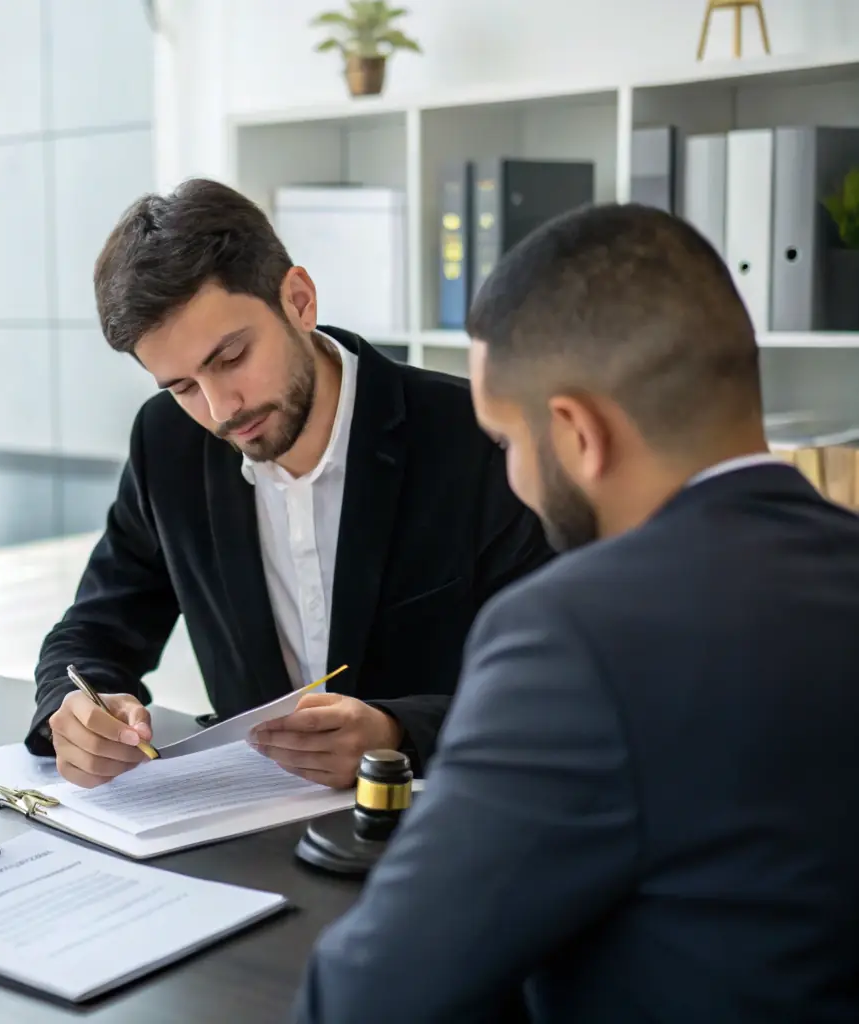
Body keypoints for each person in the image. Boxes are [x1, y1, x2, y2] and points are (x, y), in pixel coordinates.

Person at [293, 202, 859, 1023]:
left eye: (504, 445)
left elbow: (370, 998)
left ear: (575, 433)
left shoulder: (572, 637)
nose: (512, 479)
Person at [23, 178, 553, 789]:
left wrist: (397, 733)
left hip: (449, 815)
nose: (221, 408)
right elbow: (93, 630)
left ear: (299, 300)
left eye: (230, 358)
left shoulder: (477, 437)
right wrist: (76, 709)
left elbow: (554, 682)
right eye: (183, 386)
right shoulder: (167, 443)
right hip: (257, 840)